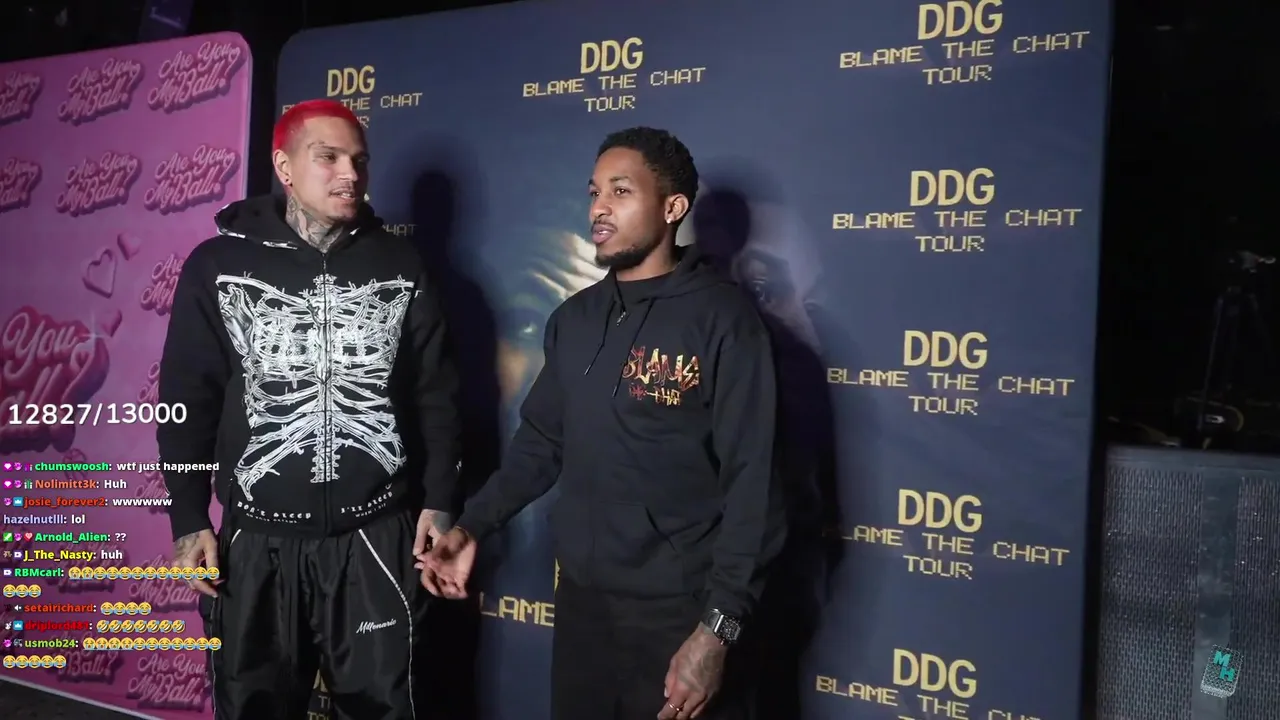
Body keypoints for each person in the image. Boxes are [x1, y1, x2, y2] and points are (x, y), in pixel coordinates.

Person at [420, 127, 787, 720]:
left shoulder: (724, 321)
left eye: (621, 191)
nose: (599, 208)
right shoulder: (575, 319)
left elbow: (756, 487)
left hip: (680, 614)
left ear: (673, 208)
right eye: (594, 192)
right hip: (583, 610)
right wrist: (471, 527)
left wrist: (717, 631)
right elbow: (541, 443)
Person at [157, 99, 461, 720]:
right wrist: (188, 517)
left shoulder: (401, 265)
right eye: (328, 157)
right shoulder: (218, 266)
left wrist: (439, 499)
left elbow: (435, 393)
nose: (350, 173)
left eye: (359, 160)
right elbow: (186, 399)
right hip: (255, 539)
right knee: (253, 707)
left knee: (385, 707)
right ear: (285, 166)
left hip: (374, 535)